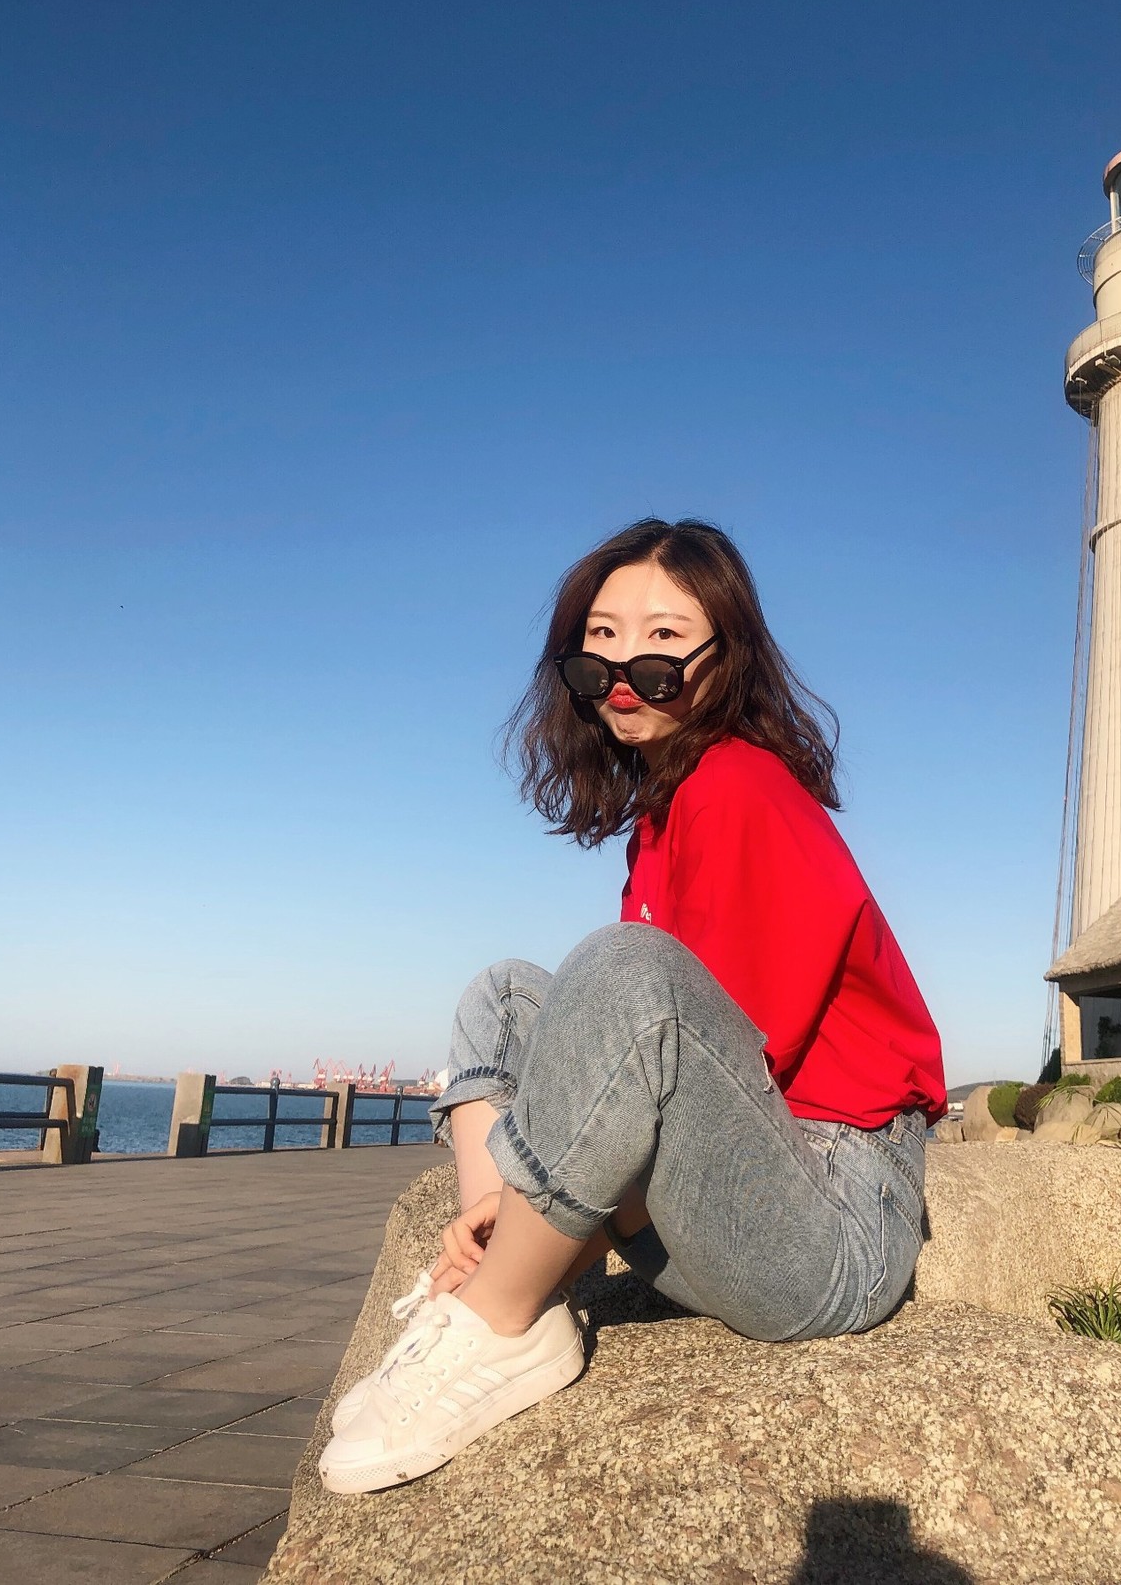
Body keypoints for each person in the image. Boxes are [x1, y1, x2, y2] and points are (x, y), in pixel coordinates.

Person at [319, 518, 945, 1496]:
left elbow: (740, 1058)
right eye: (599, 642)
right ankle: (502, 1257)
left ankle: (497, 1320)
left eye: (661, 642)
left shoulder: (740, 785)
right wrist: (513, 1203)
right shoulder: (664, 812)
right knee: (507, 994)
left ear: (726, 654)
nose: (622, 671)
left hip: (826, 1223)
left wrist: (562, 1207)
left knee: (621, 968)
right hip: (721, 1202)